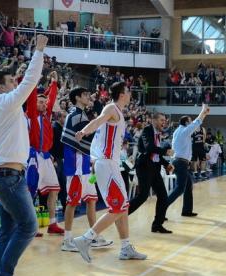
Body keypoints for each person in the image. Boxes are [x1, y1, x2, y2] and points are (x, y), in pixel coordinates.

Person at [0, 34, 48, 276]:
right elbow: (30, 82)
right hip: (8, 177)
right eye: (11, 81)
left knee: (7, 230)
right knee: (28, 226)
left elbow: (25, 84)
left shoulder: (9, 108)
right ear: (1, 87)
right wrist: (38, 51)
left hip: (8, 175)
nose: (16, 84)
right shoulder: (4, 102)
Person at [73, 82, 147, 263]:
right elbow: (97, 121)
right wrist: (84, 131)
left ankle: (125, 247)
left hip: (111, 164)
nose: (130, 94)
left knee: (123, 206)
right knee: (118, 206)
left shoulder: (119, 112)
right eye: (128, 91)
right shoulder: (111, 108)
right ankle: (86, 239)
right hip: (106, 164)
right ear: (122, 94)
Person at [60, 87, 113, 252]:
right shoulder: (75, 114)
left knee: (91, 199)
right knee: (72, 202)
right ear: (77, 98)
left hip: (82, 161)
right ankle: (67, 240)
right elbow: (89, 131)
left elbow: (91, 126)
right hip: (75, 162)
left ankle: (93, 236)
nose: (88, 97)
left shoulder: (81, 115)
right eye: (85, 95)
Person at [25, 71, 64, 235]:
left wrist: (53, 82)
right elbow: (32, 97)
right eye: (39, 102)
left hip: (47, 157)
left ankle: (52, 224)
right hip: (34, 157)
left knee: (55, 189)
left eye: (44, 102)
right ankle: (30, 226)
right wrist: (35, 80)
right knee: (30, 192)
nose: (43, 104)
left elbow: (52, 97)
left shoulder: (47, 115)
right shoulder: (32, 115)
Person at [128, 112, 174, 234]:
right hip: (144, 167)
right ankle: (121, 214)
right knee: (143, 196)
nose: (164, 123)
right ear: (153, 120)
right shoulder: (147, 131)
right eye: (161, 120)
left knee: (163, 196)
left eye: (165, 121)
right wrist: (165, 151)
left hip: (154, 167)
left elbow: (155, 154)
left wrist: (165, 164)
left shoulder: (158, 134)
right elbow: (149, 148)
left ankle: (157, 225)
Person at [166, 104, 210, 217]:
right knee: (180, 188)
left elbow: (196, 123)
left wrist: (204, 114)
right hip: (180, 163)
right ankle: (162, 207)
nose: (191, 123)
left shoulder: (178, 131)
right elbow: (197, 123)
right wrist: (203, 111)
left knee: (188, 185)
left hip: (180, 162)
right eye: (189, 121)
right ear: (186, 123)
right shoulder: (184, 131)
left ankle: (186, 210)